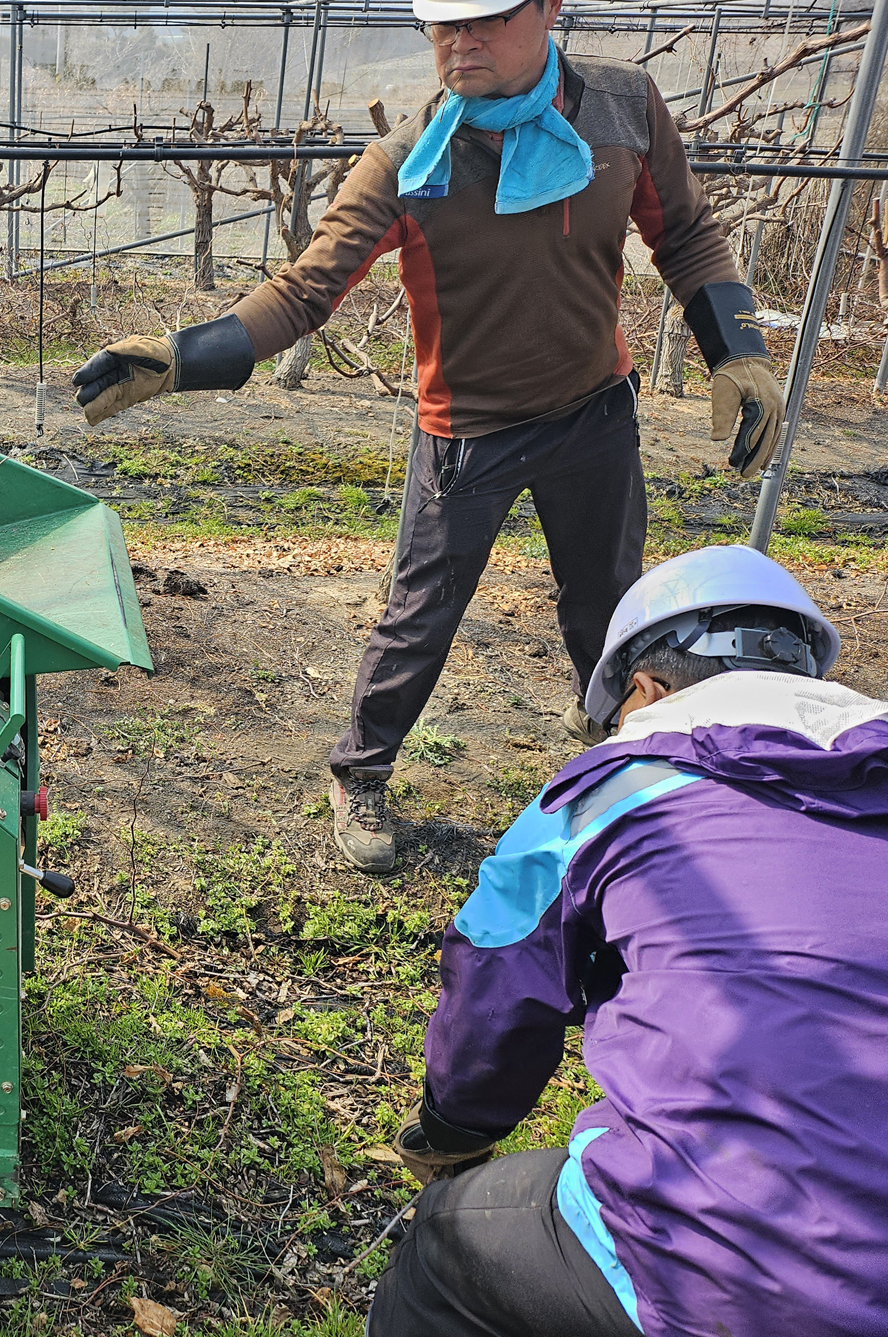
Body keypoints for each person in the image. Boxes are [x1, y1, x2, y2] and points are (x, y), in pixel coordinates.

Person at [71, 0, 785, 875]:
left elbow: (686, 234)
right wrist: (181, 357)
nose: (460, 43)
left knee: (606, 603)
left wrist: (739, 351)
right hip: (468, 434)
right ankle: (359, 772)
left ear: (552, 4)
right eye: (444, 25)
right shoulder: (411, 160)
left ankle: (616, 747)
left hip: (593, 412)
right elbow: (305, 290)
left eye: (486, 19)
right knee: (421, 615)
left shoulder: (625, 110)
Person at [373, 544, 888, 1337]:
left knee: (442, 1248)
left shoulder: (609, 793)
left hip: (729, 1271)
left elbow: (495, 989)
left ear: (645, 689)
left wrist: (453, 1129)